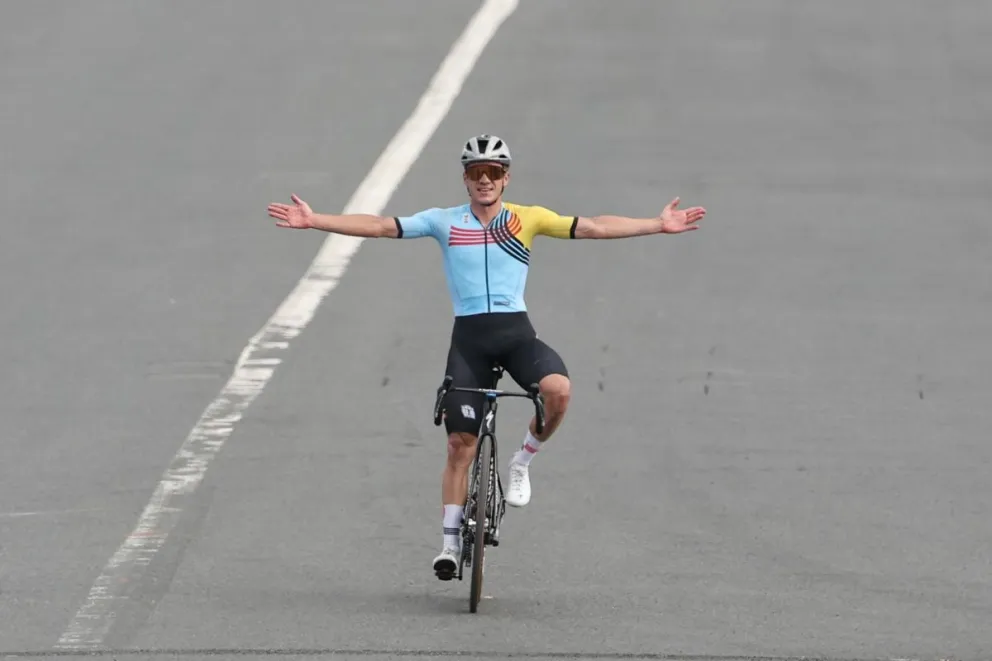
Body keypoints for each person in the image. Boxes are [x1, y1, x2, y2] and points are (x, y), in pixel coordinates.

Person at [267, 134, 706, 580]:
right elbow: (381, 226)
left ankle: (522, 460)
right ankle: (450, 544)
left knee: (559, 392)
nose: (484, 180)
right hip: (470, 342)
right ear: (465, 179)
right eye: (476, 173)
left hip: (516, 337)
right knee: (460, 444)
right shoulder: (443, 221)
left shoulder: (527, 219)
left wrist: (656, 223)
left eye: (492, 173)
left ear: (505, 179)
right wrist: (315, 220)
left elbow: (593, 225)